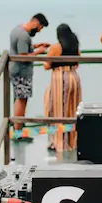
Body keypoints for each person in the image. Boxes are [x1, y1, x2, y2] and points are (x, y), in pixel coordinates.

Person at [44, 23, 83, 161]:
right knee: (73, 110)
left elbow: (47, 65)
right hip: (74, 77)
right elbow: (77, 62)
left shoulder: (56, 47)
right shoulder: (75, 46)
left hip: (60, 78)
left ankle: (60, 143)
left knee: (57, 110)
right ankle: (73, 142)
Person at [9, 13, 50, 142]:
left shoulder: (18, 30)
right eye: (40, 28)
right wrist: (39, 52)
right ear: (36, 23)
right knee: (21, 100)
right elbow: (23, 56)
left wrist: (36, 46)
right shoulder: (23, 35)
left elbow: (22, 49)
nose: (39, 31)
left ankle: (18, 127)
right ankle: (18, 131)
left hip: (16, 70)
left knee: (19, 98)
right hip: (21, 72)